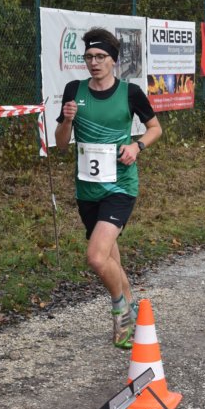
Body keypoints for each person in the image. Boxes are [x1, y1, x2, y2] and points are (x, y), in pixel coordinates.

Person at [55, 28, 162, 349]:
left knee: (96, 257)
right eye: (89, 57)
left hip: (120, 185)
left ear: (113, 60)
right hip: (87, 189)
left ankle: (121, 312)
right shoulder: (74, 90)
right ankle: (131, 304)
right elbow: (62, 144)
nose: (94, 62)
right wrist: (67, 121)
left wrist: (137, 146)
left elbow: (155, 128)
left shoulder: (130, 93)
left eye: (100, 56)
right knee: (109, 256)